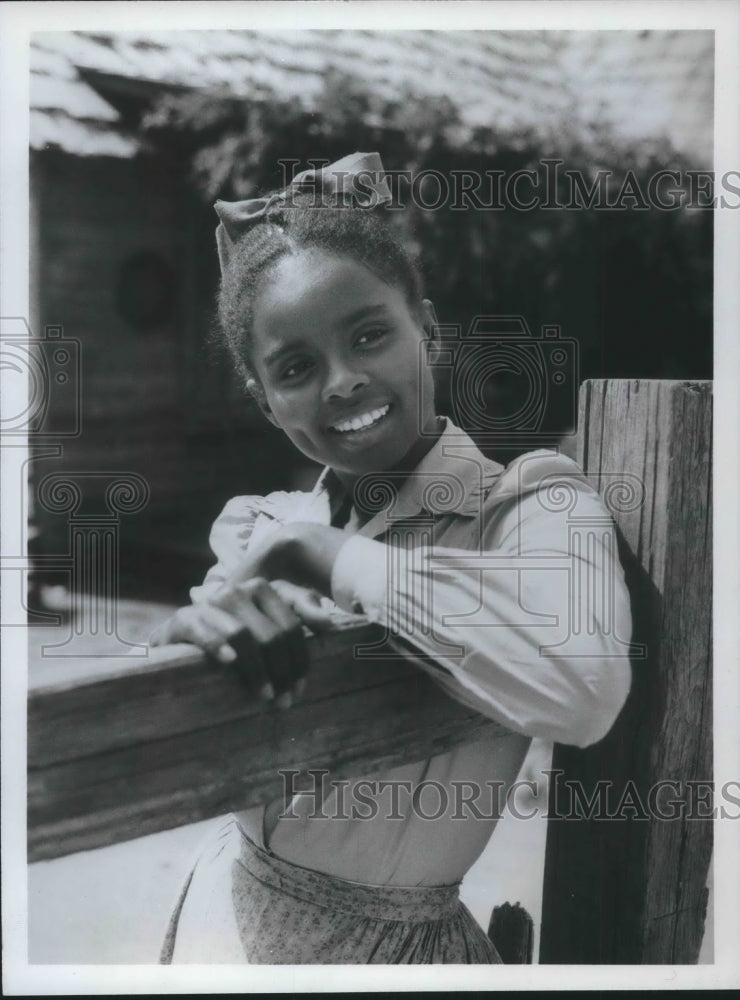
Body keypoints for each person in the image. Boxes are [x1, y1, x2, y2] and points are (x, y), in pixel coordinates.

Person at [151, 152, 632, 964]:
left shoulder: (531, 506)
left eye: (369, 335)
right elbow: (163, 741)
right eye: (296, 368)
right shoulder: (261, 526)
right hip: (217, 926)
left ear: (430, 331)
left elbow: (583, 686)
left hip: (390, 958)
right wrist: (206, 626)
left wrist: (328, 556)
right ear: (265, 399)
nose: (341, 381)